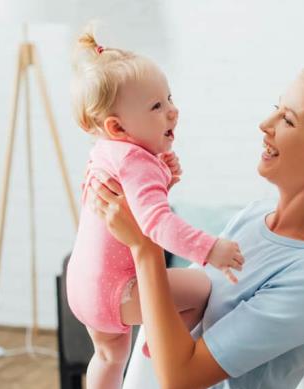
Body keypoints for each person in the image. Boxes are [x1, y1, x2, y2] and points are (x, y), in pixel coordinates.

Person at [88, 64, 304, 388]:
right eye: (275, 110)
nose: (265, 125)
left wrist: (145, 245)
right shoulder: (255, 217)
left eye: (288, 119)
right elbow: (188, 299)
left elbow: (180, 378)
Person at [67, 29, 244, 389]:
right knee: (203, 288)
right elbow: (158, 224)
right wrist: (211, 249)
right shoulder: (137, 161)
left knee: (108, 358)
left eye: (169, 98)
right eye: (156, 107)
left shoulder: (104, 150)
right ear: (118, 126)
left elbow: (131, 204)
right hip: (121, 290)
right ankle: (161, 346)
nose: (173, 111)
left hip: (83, 286)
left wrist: (164, 178)